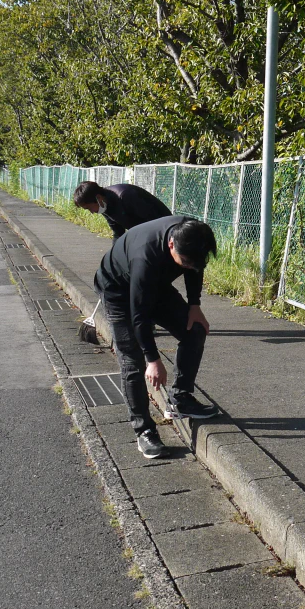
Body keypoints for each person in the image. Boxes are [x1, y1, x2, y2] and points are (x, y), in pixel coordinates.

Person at [93, 214, 220, 459]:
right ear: (171, 245)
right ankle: (144, 431)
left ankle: (181, 399)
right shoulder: (145, 256)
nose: (188, 267)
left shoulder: (193, 236)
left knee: (195, 330)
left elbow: (195, 268)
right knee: (133, 361)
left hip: (156, 284)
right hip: (119, 291)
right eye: (184, 262)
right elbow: (140, 315)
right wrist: (153, 359)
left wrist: (195, 304)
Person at [73, 179, 172, 239]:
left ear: (98, 198)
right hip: (146, 233)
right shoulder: (104, 205)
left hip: (167, 230)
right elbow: (118, 233)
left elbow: (155, 221)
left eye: (89, 208)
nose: (92, 212)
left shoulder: (125, 196)